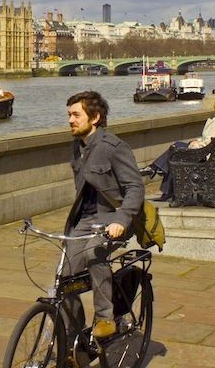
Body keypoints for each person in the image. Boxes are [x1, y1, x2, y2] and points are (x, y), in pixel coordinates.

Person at [64, 91, 144, 341]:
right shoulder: (77, 146)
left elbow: (135, 187)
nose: (70, 120)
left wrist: (121, 220)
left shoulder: (113, 147)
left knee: (94, 253)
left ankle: (105, 318)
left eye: (76, 115)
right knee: (64, 276)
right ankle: (76, 335)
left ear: (95, 117)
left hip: (115, 218)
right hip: (85, 221)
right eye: (69, 115)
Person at [141, 94, 215, 201]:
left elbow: (208, 144)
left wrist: (195, 144)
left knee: (176, 150)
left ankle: (156, 171)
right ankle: (156, 171)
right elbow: (214, 142)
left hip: (208, 158)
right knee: (177, 149)